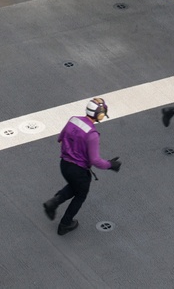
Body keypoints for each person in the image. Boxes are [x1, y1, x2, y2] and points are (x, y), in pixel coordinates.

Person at [43, 97, 121, 236]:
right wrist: (111, 165)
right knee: (80, 195)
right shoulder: (92, 134)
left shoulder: (73, 120)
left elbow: (60, 138)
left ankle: (53, 202)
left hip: (64, 165)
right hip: (79, 171)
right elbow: (96, 160)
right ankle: (65, 224)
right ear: (100, 115)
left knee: (74, 187)